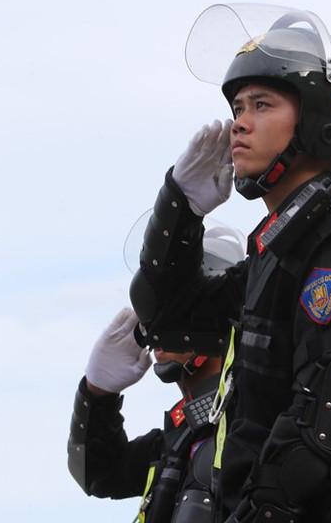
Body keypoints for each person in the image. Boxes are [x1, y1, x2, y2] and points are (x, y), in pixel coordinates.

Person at [129, 4, 331, 523]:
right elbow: (167, 319)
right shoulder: (276, 248)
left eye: (262, 105)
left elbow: (319, 432)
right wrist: (180, 208)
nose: (239, 123)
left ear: (320, 121)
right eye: (238, 106)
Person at [68, 221, 246, 523]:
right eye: (155, 313)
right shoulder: (178, 438)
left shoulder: (249, 420)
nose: (155, 328)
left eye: (175, 313)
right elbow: (95, 473)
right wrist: (97, 393)